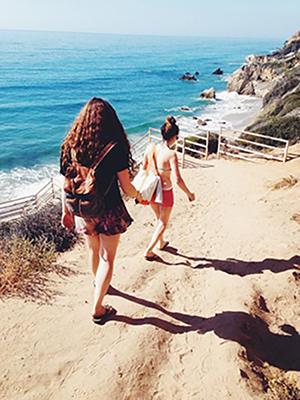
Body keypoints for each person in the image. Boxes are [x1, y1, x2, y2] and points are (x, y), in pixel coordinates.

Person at [60, 97, 142, 324]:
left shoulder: (69, 146)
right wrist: (139, 195)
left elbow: (65, 183)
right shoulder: (115, 148)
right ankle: (98, 307)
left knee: (93, 252)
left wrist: (65, 211)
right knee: (108, 258)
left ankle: (100, 284)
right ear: (110, 121)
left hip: (83, 209)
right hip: (110, 210)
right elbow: (126, 187)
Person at [143, 116, 195, 261]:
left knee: (158, 217)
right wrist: (189, 194)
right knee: (163, 222)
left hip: (152, 188)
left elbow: (144, 167)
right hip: (165, 191)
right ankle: (148, 250)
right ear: (175, 137)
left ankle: (161, 242)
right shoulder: (171, 155)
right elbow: (178, 180)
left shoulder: (150, 148)